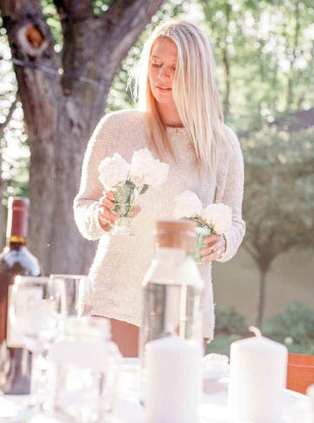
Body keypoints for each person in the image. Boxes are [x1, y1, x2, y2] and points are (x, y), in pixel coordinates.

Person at [73, 20, 245, 356]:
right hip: (112, 301)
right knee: (106, 402)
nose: (162, 76)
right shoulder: (117, 128)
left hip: (184, 307)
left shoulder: (222, 144)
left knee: (171, 407)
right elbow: (84, 207)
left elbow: (235, 221)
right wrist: (101, 216)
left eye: (174, 68)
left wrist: (221, 242)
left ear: (196, 74)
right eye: (155, 64)